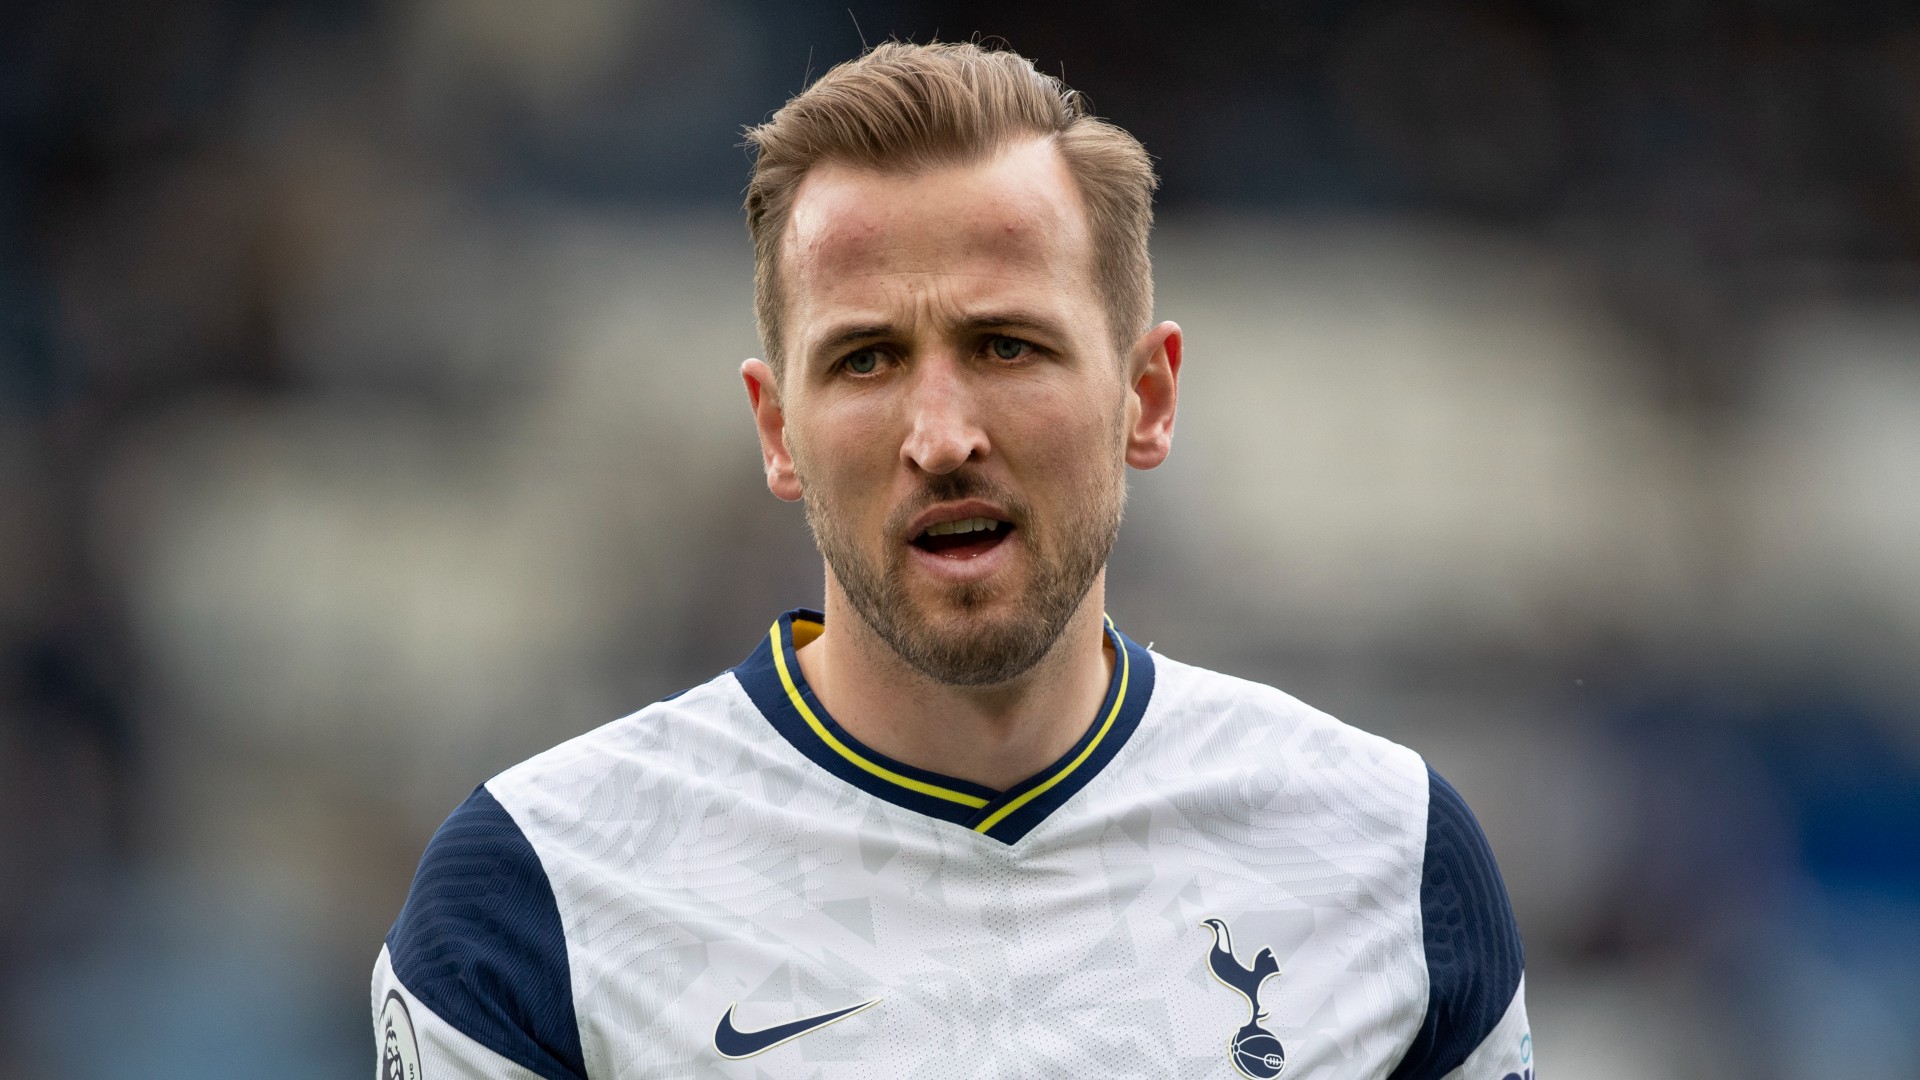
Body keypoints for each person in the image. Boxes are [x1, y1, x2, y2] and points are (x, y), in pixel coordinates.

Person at [372, 40, 1531, 1080]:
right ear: (778, 432)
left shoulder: (1388, 855)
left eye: (1006, 345)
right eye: (867, 360)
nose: (941, 437)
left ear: (1147, 396)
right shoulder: (540, 894)